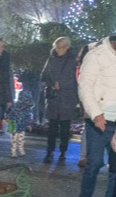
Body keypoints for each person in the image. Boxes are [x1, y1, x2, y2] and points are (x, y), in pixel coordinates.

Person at [78, 23, 116, 197]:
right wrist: (96, 113)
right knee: (94, 164)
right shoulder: (97, 55)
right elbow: (85, 86)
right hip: (99, 120)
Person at [41, 35, 79, 163]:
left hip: (67, 98)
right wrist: (52, 83)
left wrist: (62, 84)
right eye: (56, 47)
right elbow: (44, 74)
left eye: (60, 48)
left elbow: (76, 79)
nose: (58, 50)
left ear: (66, 48)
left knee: (65, 127)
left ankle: (63, 152)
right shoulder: (51, 58)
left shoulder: (73, 60)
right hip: (54, 97)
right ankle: (49, 151)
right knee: (52, 127)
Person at [7, 83, 35, 157]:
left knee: (16, 137)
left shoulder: (16, 106)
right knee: (19, 137)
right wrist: (29, 124)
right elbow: (29, 116)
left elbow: (10, 114)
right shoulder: (27, 108)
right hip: (18, 123)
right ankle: (18, 150)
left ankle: (15, 151)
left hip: (16, 123)